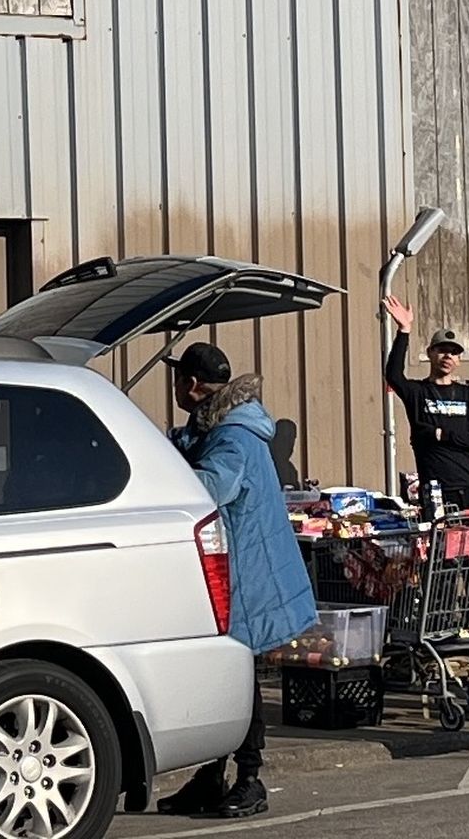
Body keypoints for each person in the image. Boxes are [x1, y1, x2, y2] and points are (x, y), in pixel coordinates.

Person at [155, 343, 316, 820]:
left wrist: (157, 469)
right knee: (218, 678)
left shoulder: (234, 437)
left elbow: (213, 486)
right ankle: (211, 775)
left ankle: (250, 779)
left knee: (238, 681)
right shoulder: (219, 427)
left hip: (247, 576)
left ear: (190, 384)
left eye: (178, 379)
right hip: (238, 571)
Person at [383, 296, 469, 511]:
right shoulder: (417, 392)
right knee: (441, 534)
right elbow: (393, 375)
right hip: (437, 491)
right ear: (430, 353)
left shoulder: (468, 395)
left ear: (459, 360)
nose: (447, 356)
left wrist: (442, 435)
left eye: (454, 352)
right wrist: (404, 330)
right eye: (442, 350)